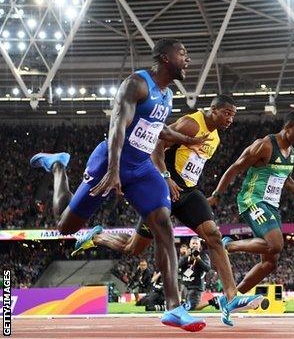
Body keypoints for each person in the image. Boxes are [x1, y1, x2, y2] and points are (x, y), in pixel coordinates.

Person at [30, 39, 206, 331]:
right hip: (110, 163)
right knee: (66, 226)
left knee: (164, 225)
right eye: (183, 52)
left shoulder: (168, 95)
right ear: (164, 57)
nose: (188, 58)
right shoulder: (136, 84)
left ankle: (174, 308)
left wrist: (187, 140)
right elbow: (117, 126)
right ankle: (59, 166)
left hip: (140, 169)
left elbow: (156, 127)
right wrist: (113, 171)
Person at [72, 95, 262, 326]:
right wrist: (166, 177)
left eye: (234, 115)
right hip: (163, 187)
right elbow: (156, 145)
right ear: (213, 109)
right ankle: (98, 237)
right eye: (227, 113)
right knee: (134, 248)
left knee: (213, 235)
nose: (231, 119)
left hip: (188, 191)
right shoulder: (191, 123)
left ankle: (232, 297)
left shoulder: (215, 137)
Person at [208, 110, 294, 294]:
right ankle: (227, 245)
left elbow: (286, 180)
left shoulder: (293, 151)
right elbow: (235, 168)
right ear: (287, 128)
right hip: (252, 199)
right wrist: (217, 194)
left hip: (271, 205)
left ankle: (232, 298)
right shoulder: (264, 145)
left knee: (270, 262)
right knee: (275, 244)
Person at [179, 237, 212, 310]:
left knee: (191, 308)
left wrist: (199, 259)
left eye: (196, 243)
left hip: (196, 286)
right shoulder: (186, 254)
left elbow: (207, 269)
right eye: (193, 243)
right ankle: (212, 301)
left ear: (199, 245)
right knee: (184, 308)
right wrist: (186, 257)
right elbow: (177, 265)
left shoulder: (203, 255)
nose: (194, 245)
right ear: (190, 245)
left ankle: (211, 302)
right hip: (185, 285)